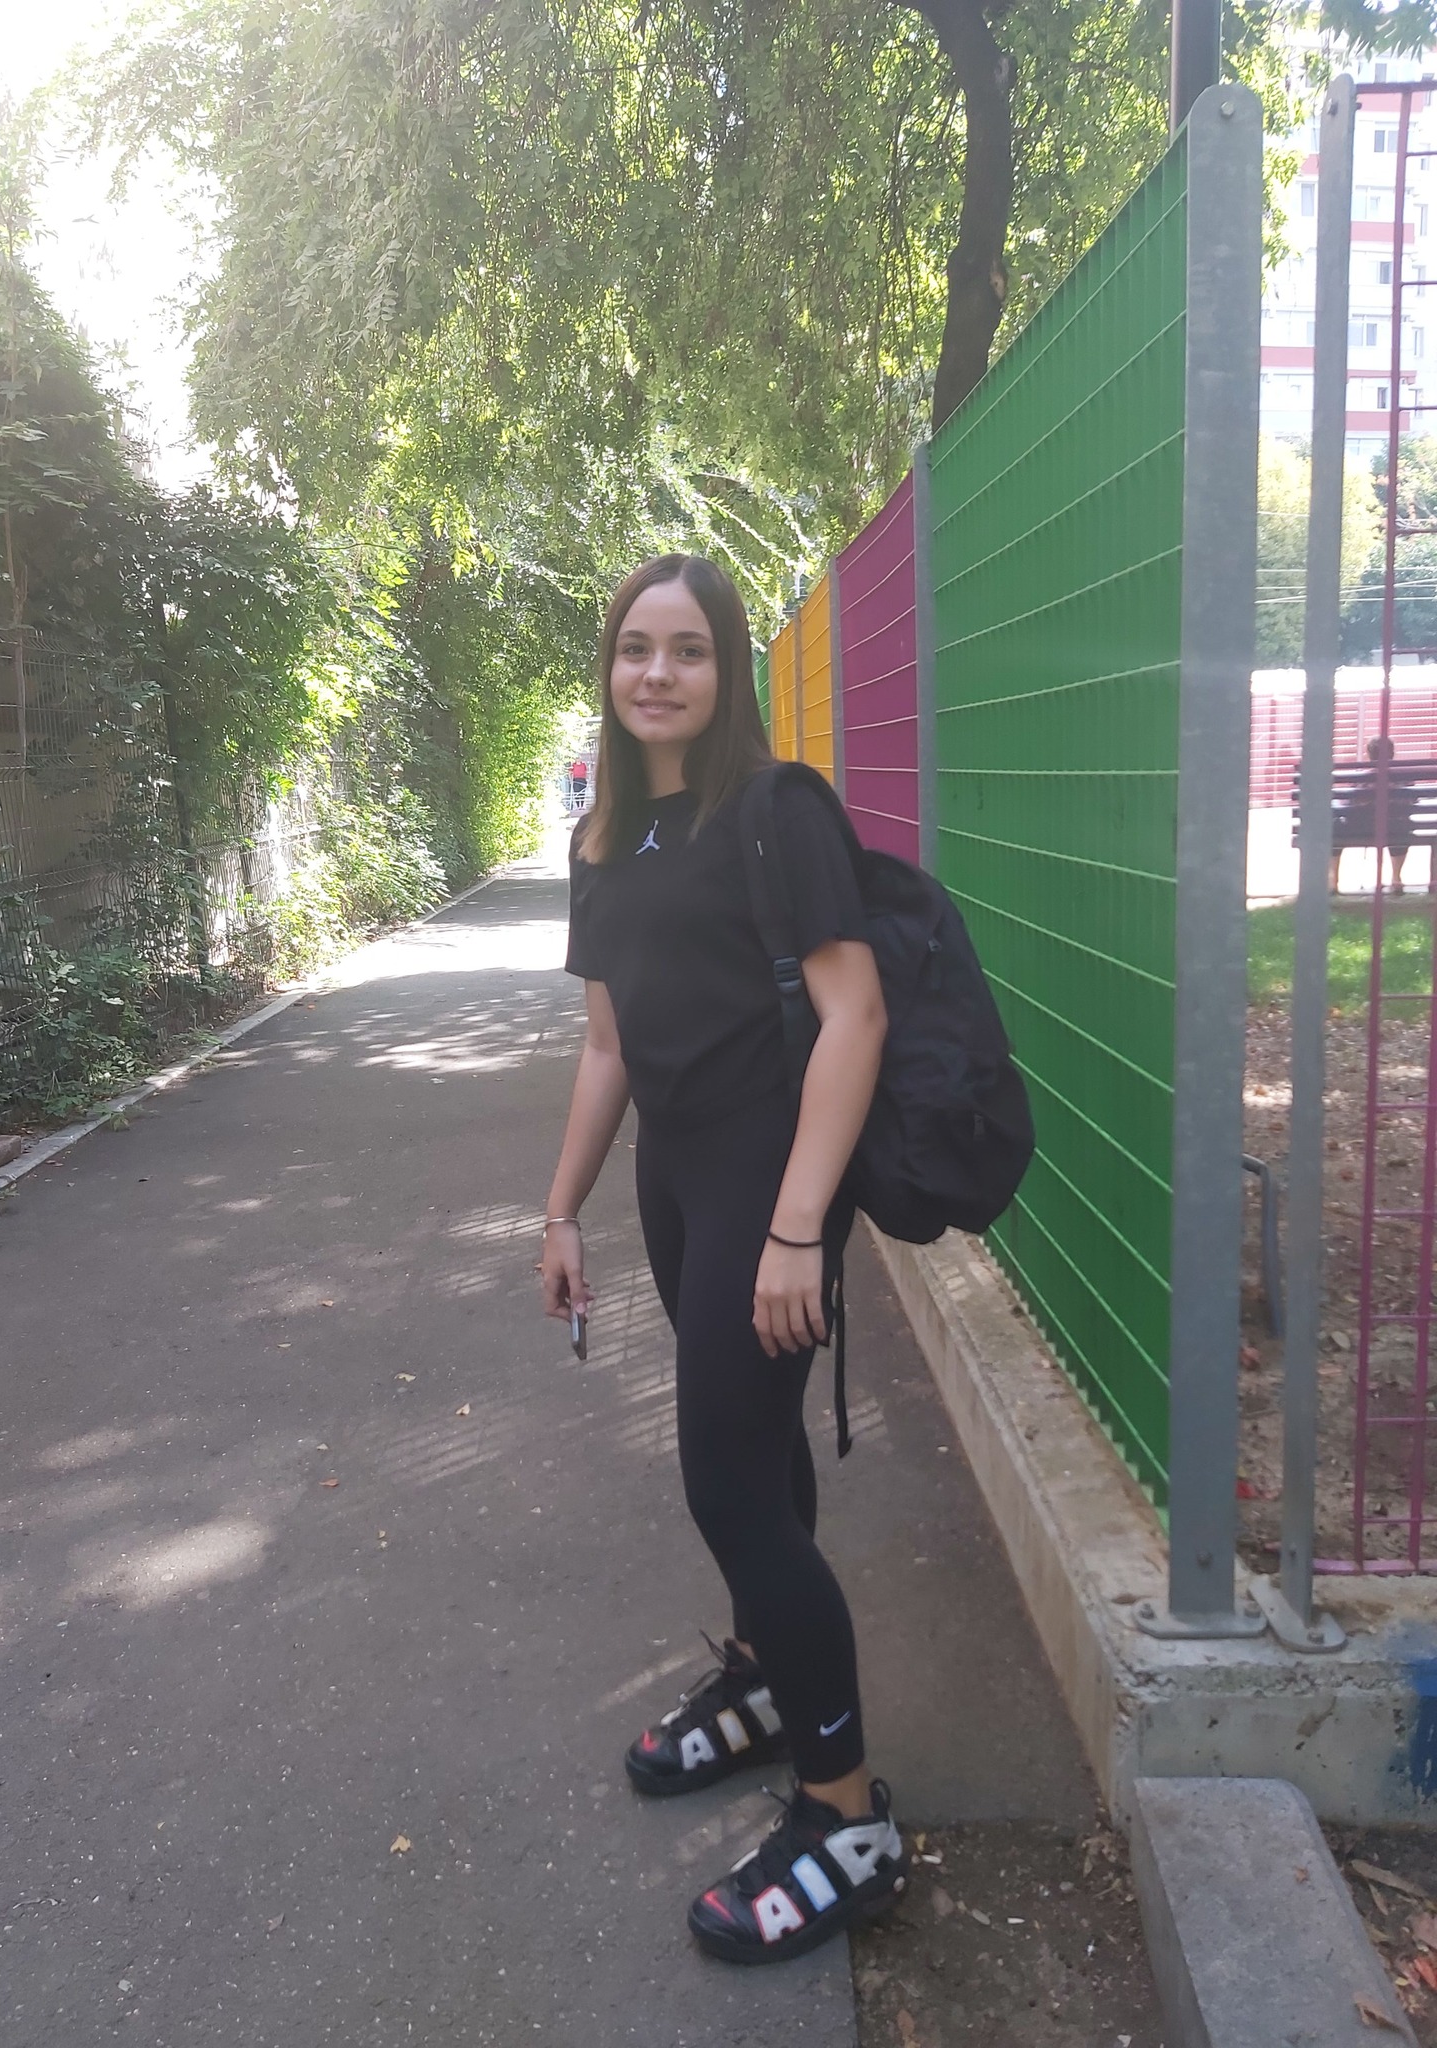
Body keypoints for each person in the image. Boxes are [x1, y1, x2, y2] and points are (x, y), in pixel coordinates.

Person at [538, 553, 908, 1964]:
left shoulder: (775, 809)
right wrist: (560, 1210)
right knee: (756, 1455)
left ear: (728, 666)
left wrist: (799, 1226)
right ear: (610, 665)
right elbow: (607, 1047)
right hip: (675, 1176)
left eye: (688, 649)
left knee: (730, 1486)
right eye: (637, 646)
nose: (658, 672)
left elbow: (855, 1016)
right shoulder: (602, 838)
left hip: (770, 1179)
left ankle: (848, 1817)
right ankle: (763, 1681)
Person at [1330, 735, 1415, 896]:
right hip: (1394, 830)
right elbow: (1412, 802)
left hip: (1361, 829)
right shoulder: (1404, 779)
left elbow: (1349, 804)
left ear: (1369, 755)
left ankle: (1333, 881)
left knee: (1335, 827)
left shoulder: (1361, 778)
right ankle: (1396, 878)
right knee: (1403, 824)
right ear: (1392, 754)